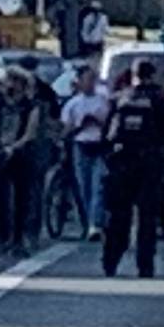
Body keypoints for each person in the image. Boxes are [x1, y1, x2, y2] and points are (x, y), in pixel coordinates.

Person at [101, 60, 164, 278]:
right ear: (152, 75)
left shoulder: (120, 98)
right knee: (148, 216)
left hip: (121, 161)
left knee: (118, 214)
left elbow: (106, 134)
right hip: (150, 162)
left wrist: (109, 158)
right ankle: (145, 265)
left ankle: (110, 260)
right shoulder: (159, 100)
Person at [0, 69, 50, 256]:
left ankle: (19, 239)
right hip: (1, 153)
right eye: (9, 81)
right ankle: (4, 237)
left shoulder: (31, 106)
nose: (11, 86)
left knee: (22, 197)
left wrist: (15, 146)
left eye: (15, 82)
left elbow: (31, 132)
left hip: (23, 155)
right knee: (0, 197)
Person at [60, 67, 112, 242]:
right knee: (84, 186)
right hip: (80, 145)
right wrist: (80, 125)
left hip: (98, 145)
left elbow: (110, 125)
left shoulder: (103, 101)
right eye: (86, 79)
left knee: (98, 186)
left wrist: (98, 122)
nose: (90, 83)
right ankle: (87, 220)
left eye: (92, 79)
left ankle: (94, 224)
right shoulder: (73, 104)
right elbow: (66, 129)